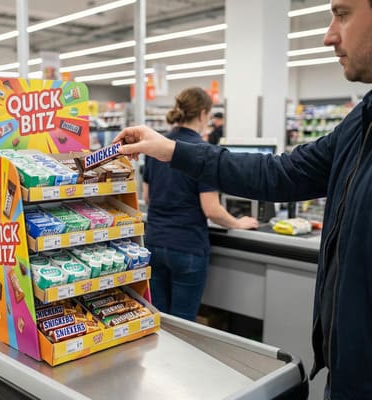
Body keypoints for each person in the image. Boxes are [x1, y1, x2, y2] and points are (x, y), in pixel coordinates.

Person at [114, 1, 372, 396]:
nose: (328, 35)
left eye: (343, 13)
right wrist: (171, 150)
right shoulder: (361, 122)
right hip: (346, 372)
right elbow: (281, 173)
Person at [143, 87, 258, 321]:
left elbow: (148, 197)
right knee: (184, 325)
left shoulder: (157, 145)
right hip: (187, 247)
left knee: (158, 320)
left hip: (154, 242)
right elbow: (212, 210)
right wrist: (238, 223)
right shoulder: (203, 152)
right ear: (204, 114)